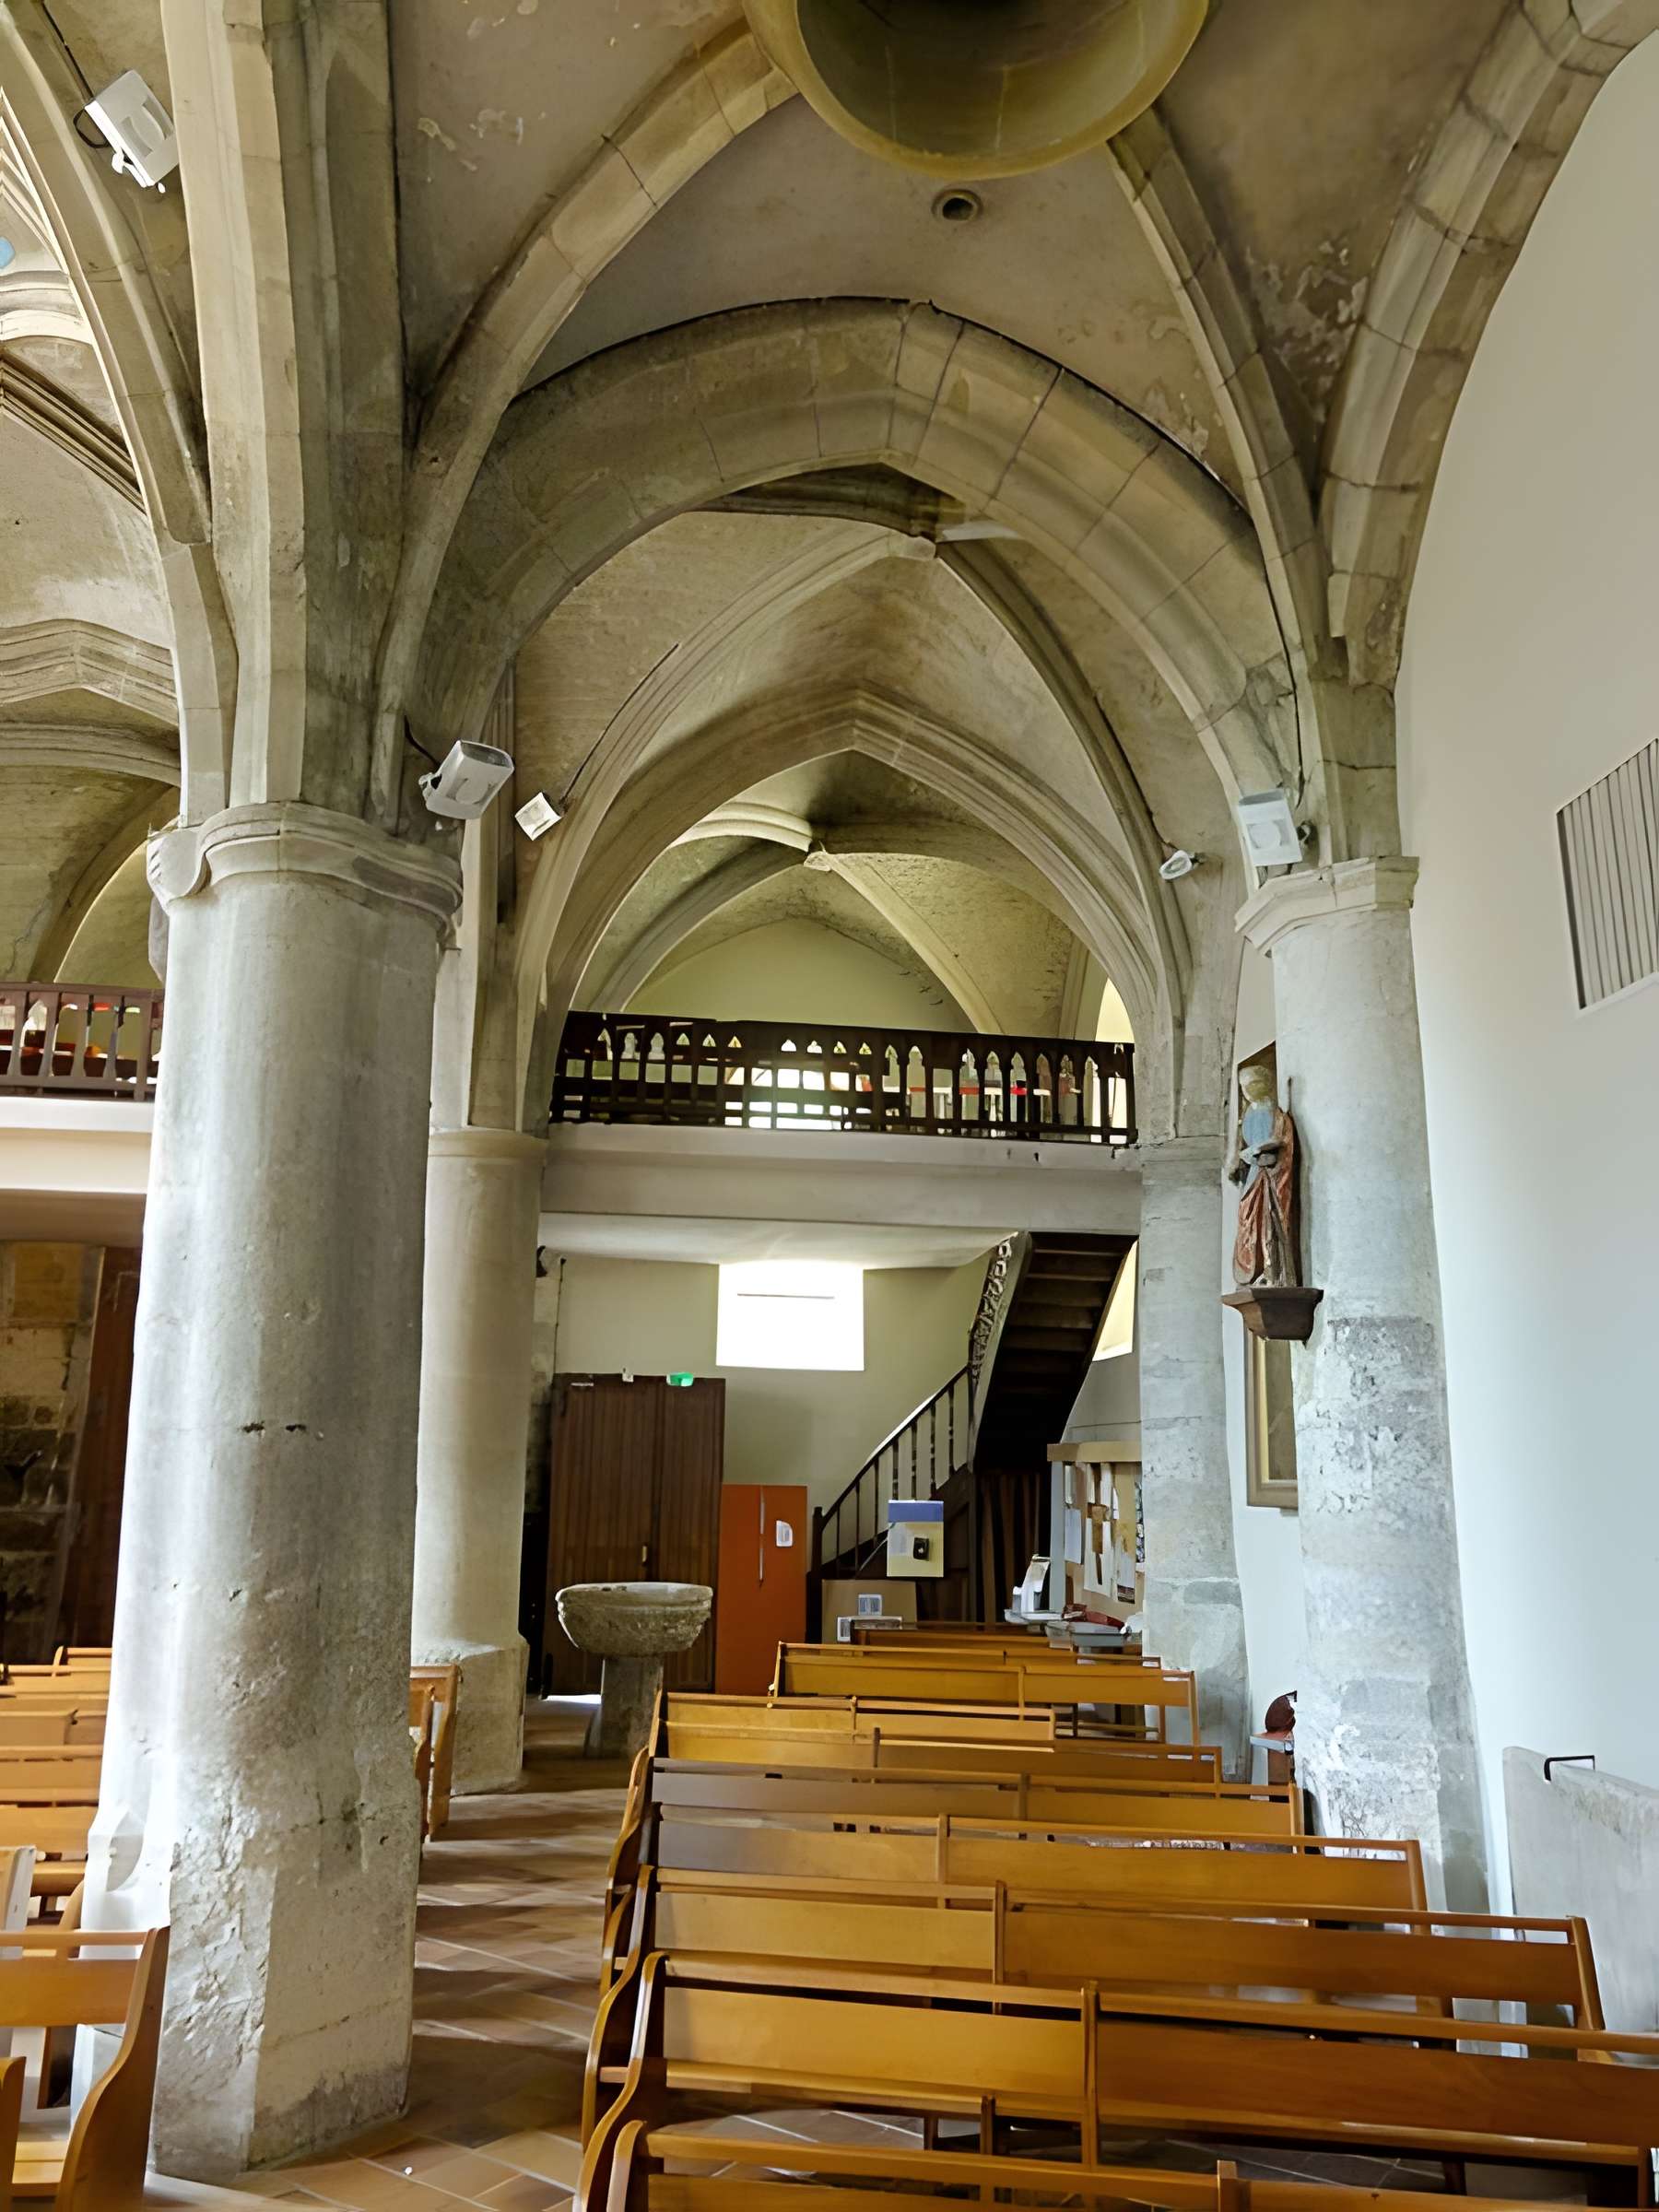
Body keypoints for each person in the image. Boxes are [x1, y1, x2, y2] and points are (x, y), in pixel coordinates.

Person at [1230, 1060, 1299, 1287]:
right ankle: (1254, 1271)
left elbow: (1281, 1140)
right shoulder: (1247, 1114)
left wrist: (1260, 1149)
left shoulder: (1276, 1114)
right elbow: (1241, 1145)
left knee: (1268, 1220)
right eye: (1243, 1087)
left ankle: (1273, 1271)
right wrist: (1239, 1160)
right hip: (1253, 1174)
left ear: (1266, 1084)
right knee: (1246, 1216)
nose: (1247, 1091)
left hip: (1270, 1175)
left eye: (1253, 1084)